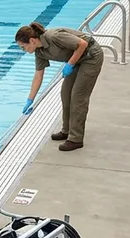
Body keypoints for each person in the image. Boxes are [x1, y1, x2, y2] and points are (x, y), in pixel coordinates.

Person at [16, 21, 105, 152]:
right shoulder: (39, 52)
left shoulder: (54, 36)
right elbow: (38, 76)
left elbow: (82, 44)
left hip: (91, 56)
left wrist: (70, 64)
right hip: (76, 60)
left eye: (23, 47)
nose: (23, 50)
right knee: (65, 94)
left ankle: (76, 139)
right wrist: (30, 100)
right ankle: (66, 130)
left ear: (32, 41)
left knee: (78, 97)